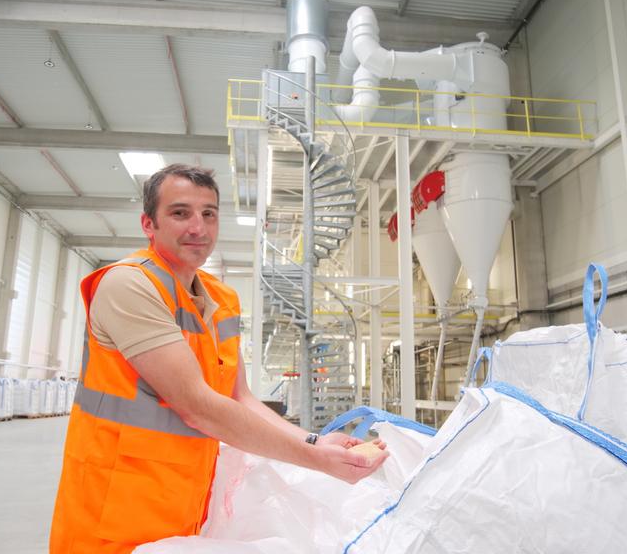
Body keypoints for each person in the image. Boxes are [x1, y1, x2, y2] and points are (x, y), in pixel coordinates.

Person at [50, 164, 388, 553]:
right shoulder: (129, 284)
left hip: (186, 502)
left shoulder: (221, 299)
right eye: (180, 213)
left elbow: (239, 397)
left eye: (208, 214)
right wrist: (315, 457)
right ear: (149, 224)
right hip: (116, 509)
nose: (198, 227)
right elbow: (198, 407)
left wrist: (314, 439)